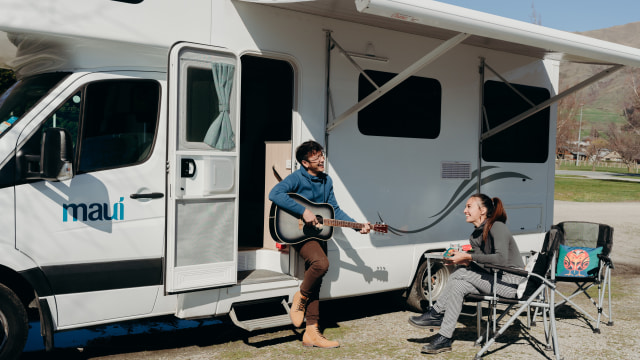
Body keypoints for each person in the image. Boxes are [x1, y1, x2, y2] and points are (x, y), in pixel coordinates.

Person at [269, 140, 371, 348]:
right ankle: (300, 297)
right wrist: (303, 211)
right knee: (321, 264)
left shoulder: (327, 181)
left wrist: (356, 225)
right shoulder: (296, 178)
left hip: (320, 233)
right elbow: (275, 194)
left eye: (322, 155)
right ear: (306, 163)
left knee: (316, 281)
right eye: (316, 157)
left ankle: (311, 332)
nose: (322, 159)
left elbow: (334, 210)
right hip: (299, 233)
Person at [408, 193, 525, 354]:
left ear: (482, 210)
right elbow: (486, 268)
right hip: (494, 280)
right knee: (458, 283)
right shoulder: (475, 235)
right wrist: (465, 261)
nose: (464, 210)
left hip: (511, 283)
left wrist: (468, 257)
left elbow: (501, 259)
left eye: (469, 206)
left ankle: (435, 313)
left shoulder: (497, 226)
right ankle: (444, 337)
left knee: (462, 272)